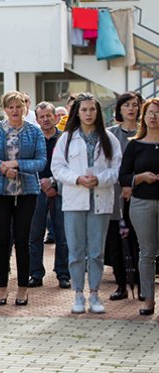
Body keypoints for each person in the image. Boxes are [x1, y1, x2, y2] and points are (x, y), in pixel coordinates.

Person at [51, 93, 121, 314]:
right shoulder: (67, 138)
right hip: (74, 200)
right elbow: (57, 168)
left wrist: (100, 179)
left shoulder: (109, 138)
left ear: (98, 112)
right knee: (76, 251)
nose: (89, 114)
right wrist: (77, 179)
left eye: (92, 110)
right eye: (84, 110)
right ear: (77, 112)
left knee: (96, 252)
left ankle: (95, 294)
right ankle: (78, 294)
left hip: (99, 200)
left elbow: (117, 168)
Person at [0, 91, 46, 307]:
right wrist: (0, 168)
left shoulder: (35, 131)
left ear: (25, 108)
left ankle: (23, 289)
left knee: (22, 240)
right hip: (0, 191)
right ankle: (2, 288)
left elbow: (41, 161)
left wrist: (18, 165)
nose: (15, 111)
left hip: (27, 192)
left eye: (19, 106)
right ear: (4, 109)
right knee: (3, 241)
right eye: (11, 107)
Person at [119, 97, 159, 315]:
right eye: (150, 112)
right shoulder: (135, 144)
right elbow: (123, 176)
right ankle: (148, 300)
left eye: (157, 112)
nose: (153, 116)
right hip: (142, 203)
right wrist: (141, 177)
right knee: (147, 253)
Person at [27, 102, 70, 289]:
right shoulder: (33, 140)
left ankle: (63, 274)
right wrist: (42, 184)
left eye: (48, 116)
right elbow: (27, 165)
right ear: (36, 119)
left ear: (56, 117)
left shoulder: (65, 140)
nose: (45, 119)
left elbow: (69, 166)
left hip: (60, 190)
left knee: (62, 235)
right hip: (36, 191)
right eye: (41, 116)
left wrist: (52, 182)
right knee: (34, 235)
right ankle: (35, 273)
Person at [106, 92, 142, 301]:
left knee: (140, 240)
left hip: (142, 194)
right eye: (126, 105)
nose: (131, 109)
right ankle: (121, 284)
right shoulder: (111, 134)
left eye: (135, 105)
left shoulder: (147, 133)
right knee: (116, 241)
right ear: (119, 109)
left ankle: (141, 282)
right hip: (115, 195)